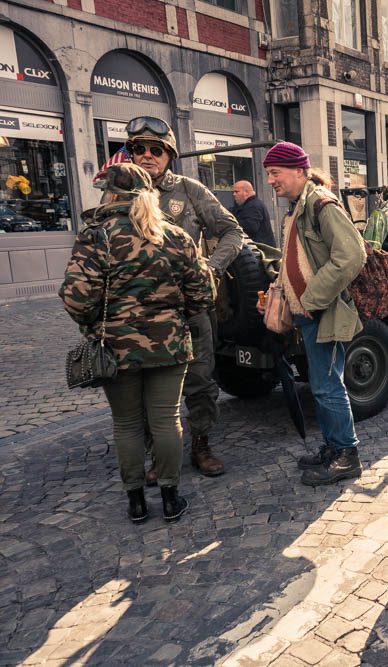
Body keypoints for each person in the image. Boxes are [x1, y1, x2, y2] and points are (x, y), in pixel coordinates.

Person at [60, 163, 215, 523]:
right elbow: (204, 294)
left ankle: (136, 503)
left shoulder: (96, 235)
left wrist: (94, 324)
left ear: (110, 194)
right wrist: (177, 315)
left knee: (127, 423)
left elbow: (76, 298)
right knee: (166, 419)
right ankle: (171, 498)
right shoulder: (176, 236)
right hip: (170, 346)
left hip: (115, 348)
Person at [126, 116, 242, 479]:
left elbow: (232, 233)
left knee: (201, 380)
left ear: (169, 155)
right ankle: (159, 455)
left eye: (155, 150)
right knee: (149, 384)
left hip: (190, 308)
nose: (147, 156)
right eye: (139, 149)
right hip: (141, 312)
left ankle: (201, 445)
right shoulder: (121, 193)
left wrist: (209, 269)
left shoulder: (190, 191)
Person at [261, 142, 367, 486]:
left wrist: (311, 298)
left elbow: (352, 256)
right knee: (322, 387)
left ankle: (347, 457)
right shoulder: (299, 206)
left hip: (324, 311)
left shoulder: (322, 204)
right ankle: (333, 448)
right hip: (310, 312)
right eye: (268, 174)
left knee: (327, 387)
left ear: (299, 170)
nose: (271, 181)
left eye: (276, 173)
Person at [231, 180, 275, 247]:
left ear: (247, 192)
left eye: (237, 191)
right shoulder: (246, 205)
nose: (234, 194)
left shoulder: (253, 206)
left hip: (259, 251)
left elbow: (249, 228)